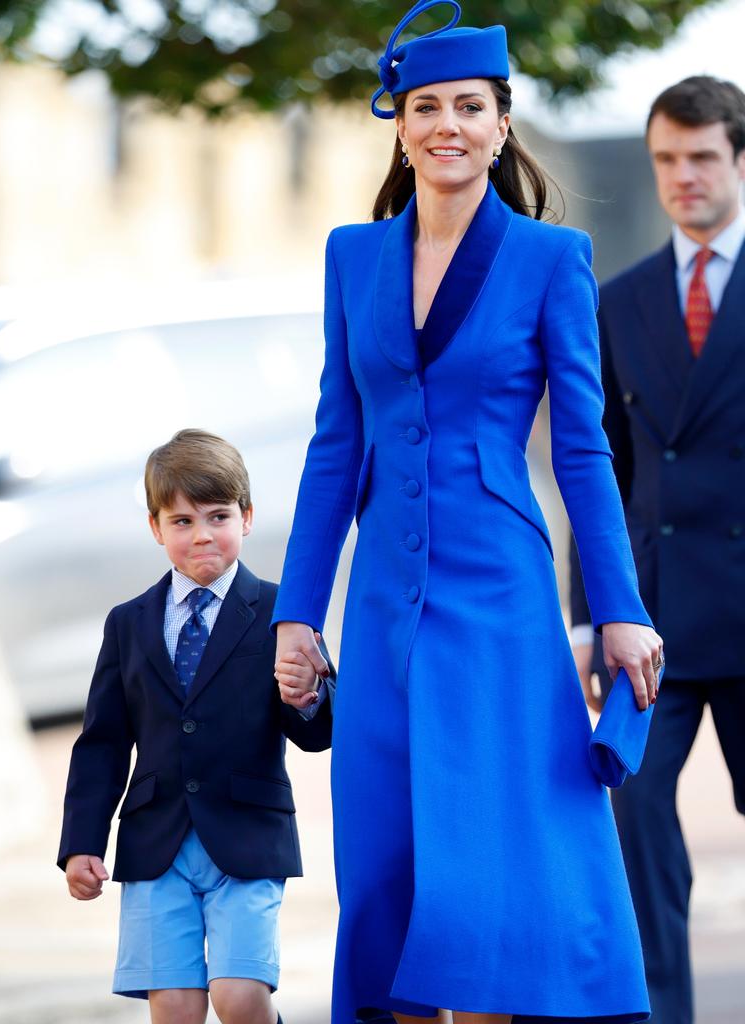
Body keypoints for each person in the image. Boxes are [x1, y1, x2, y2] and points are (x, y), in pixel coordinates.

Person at [271, 2, 663, 1022]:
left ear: (501, 124)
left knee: (490, 883)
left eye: (470, 107)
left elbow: (582, 450)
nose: (447, 123)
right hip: (387, 604)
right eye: (427, 105)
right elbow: (333, 445)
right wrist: (297, 614)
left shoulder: (550, 260)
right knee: (390, 869)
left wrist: (618, 606)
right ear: (399, 123)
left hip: (499, 596)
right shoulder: (352, 257)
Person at [569, 75, 745, 1024]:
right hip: (653, 620)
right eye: (666, 160)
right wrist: (592, 613)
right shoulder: (620, 298)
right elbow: (594, 464)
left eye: (702, 158)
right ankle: (661, 1011)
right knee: (631, 811)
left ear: (739, 161)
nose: (682, 178)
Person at [58, 428, 334, 1024]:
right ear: (156, 528)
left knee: (238, 997)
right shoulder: (128, 623)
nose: (202, 534)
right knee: (177, 1009)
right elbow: (102, 742)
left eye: (217, 515)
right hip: (155, 843)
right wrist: (82, 840)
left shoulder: (283, 611)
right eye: (181, 521)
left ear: (248, 516)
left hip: (248, 836)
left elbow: (318, 733)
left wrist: (308, 693)